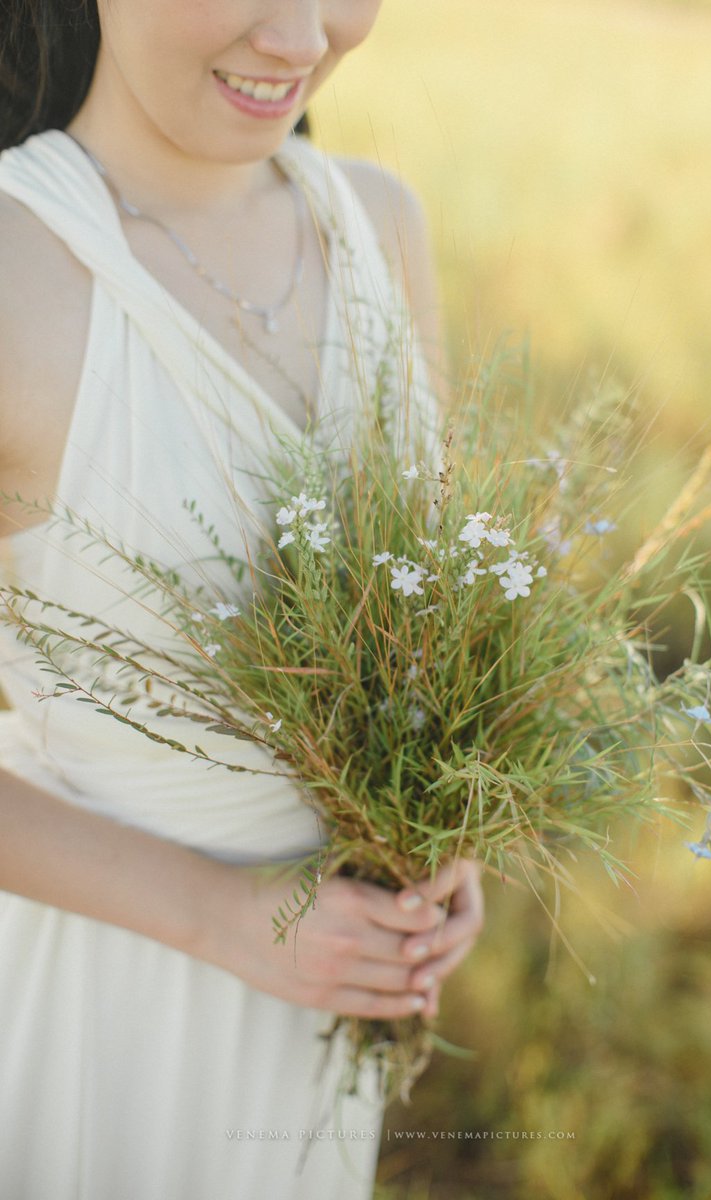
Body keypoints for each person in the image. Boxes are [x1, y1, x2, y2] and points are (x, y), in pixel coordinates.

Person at [0, 3, 485, 1197]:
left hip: (317, 1042)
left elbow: (424, 627)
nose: (303, 37)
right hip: (94, 1021)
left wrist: (444, 829)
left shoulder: (381, 225)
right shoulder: (17, 274)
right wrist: (227, 918)